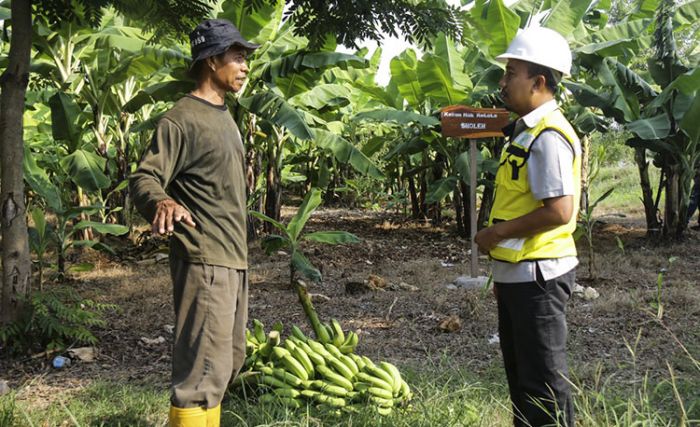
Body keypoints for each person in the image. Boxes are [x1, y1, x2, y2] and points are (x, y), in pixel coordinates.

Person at [129, 19, 258, 427]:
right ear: (211, 59)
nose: (245, 66)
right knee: (201, 373)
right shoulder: (181, 119)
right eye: (237, 57)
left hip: (232, 257)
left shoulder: (224, 115)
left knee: (226, 363)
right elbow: (143, 177)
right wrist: (162, 200)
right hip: (204, 258)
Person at [475, 26, 580, 427]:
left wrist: (495, 234)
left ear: (538, 82)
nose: (502, 84)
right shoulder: (526, 132)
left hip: (540, 276)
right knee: (522, 382)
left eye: (510, 73)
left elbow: (559, 211)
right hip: (521, 273)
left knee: (542, 385)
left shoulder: (548, 135)